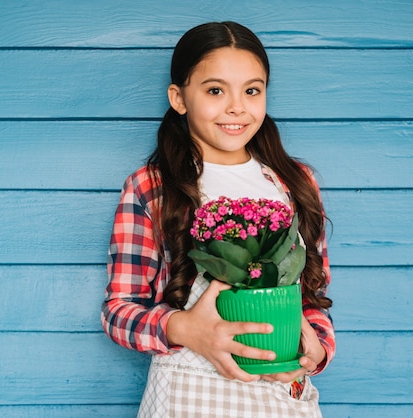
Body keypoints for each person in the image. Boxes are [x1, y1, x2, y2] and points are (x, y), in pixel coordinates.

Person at [101, 21, 335, 417]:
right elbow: (118, 310)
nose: (237, 107)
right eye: (214, 90)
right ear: (179, 98)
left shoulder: (296, 183)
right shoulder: (152, 188)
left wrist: (319, 345)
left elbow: (313, 296)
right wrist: (184, 328)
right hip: (189, 396)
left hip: (281, 397)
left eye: (252, 91)